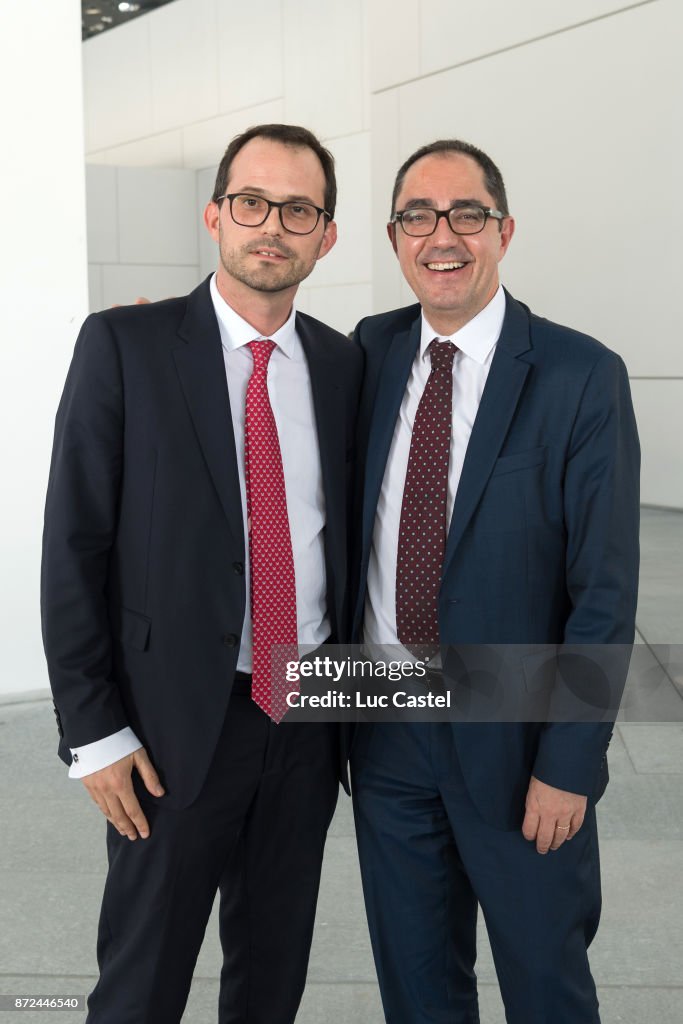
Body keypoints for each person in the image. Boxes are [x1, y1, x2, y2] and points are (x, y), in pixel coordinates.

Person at [41, 123, 362, 1024]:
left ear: (325, 235)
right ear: (215, 215)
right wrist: (94, 731)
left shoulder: (342, 364)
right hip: (167, 729)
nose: (273, 226)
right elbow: (73, 544)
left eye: (298, 209)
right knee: (142, 984)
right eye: (253, 203)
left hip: (306, 719)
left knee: (270, 978)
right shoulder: (125, 346)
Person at [350, 139, 640, 1023]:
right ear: (394, 237)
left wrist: (567, 764)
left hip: (519, 753)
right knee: (417, 989)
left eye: (466, 214)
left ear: (503, 231)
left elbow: (602, 592)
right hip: (385, 734)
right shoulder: (365, 355)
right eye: (418, 216)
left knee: (545, 989)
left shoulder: (578, 374)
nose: (442, 235)